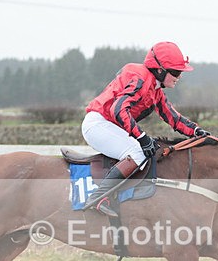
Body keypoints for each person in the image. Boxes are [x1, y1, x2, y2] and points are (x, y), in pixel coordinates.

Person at [81, 41, 210, 217]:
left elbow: (172, 117)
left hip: (108, 125)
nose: (179, 77)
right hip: (98, 124)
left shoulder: (155, 89)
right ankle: (98, 198)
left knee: (147, 148)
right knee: (138, 152)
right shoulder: (141, 80)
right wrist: (142, 137)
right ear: (159, 70)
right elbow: (118, 109)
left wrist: (197, 131)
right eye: (176, 72)